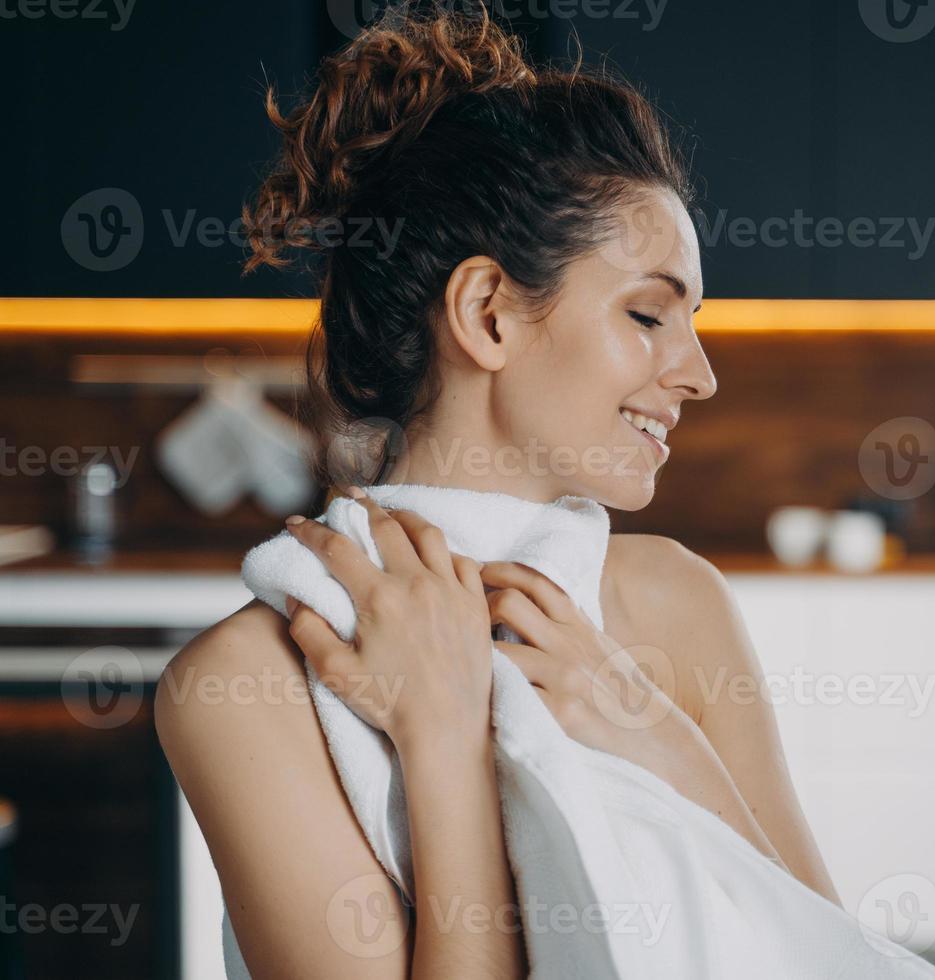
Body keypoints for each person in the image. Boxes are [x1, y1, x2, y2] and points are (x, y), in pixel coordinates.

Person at [154, 5, 840, 977]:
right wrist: (443, 740)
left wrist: (660, 741)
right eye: (648, 313)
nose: (698, 372)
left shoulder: (676, 605)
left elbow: (834, 955)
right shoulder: (247, 685)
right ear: (487, 314)